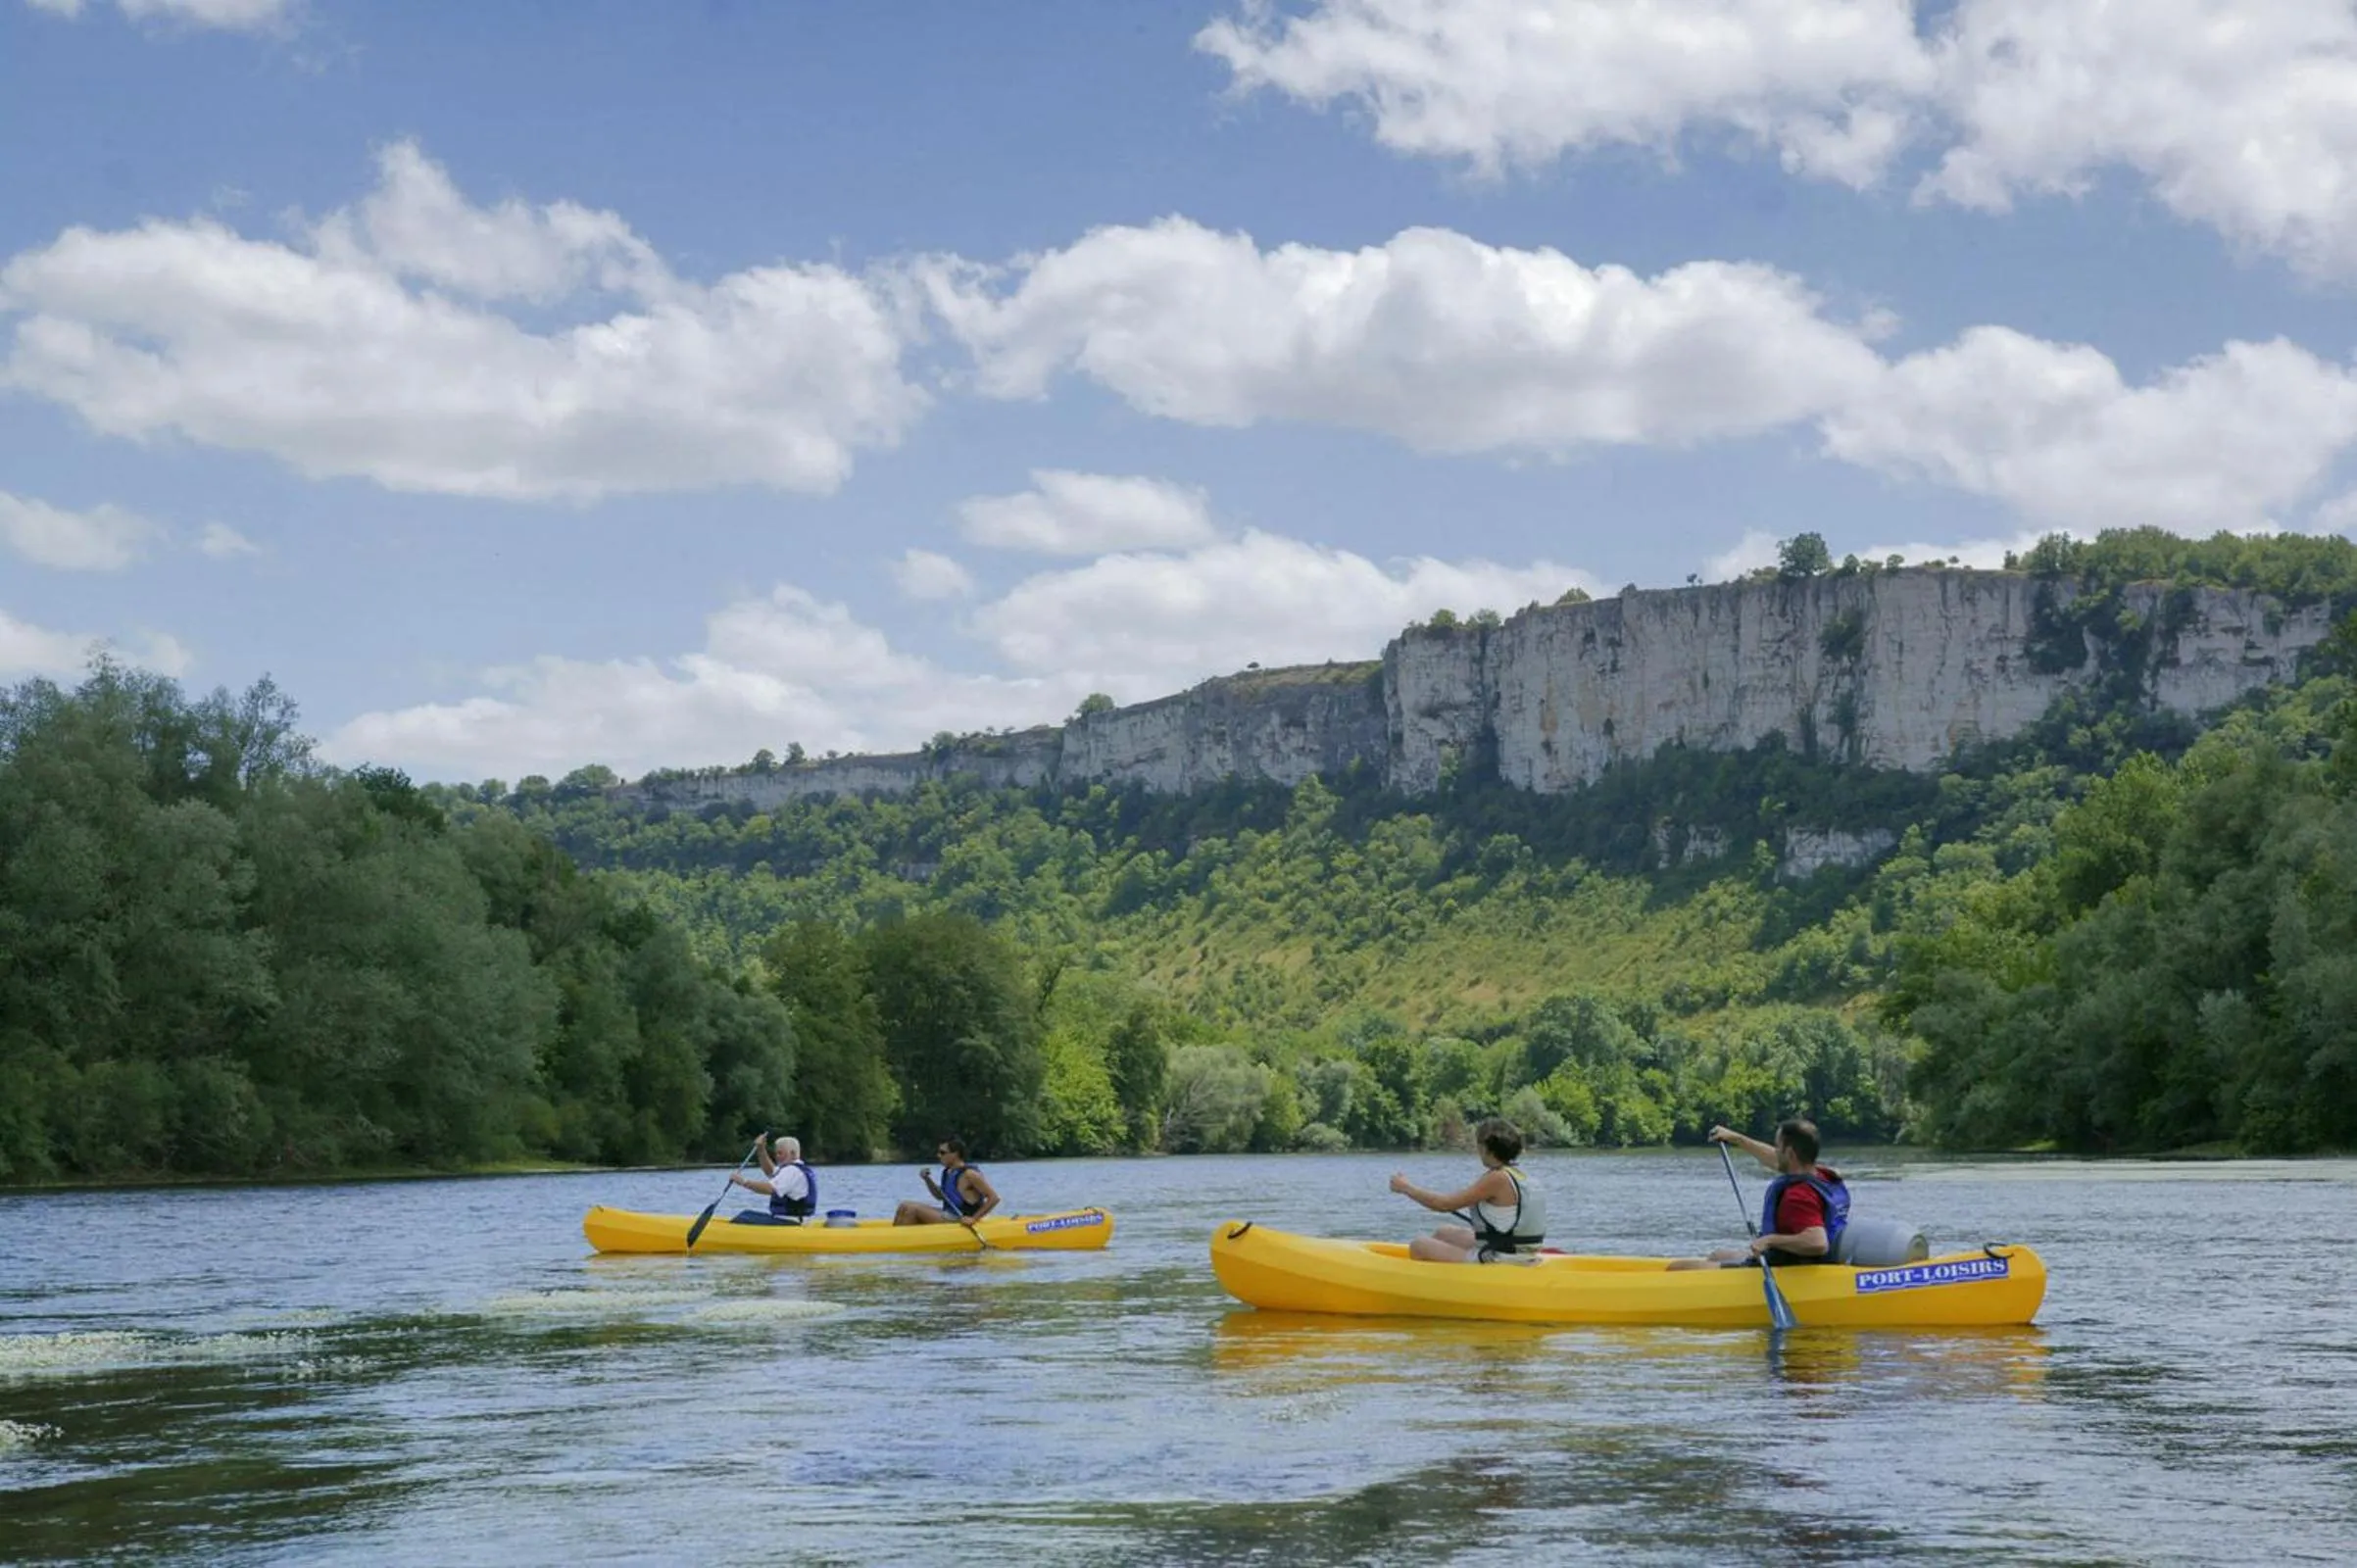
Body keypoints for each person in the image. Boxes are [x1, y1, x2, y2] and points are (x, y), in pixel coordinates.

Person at [1668, 1118, 1848, 1270]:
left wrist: (1770, 1240)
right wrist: (1736, 1138)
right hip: (1799, 1261)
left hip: (1785, 1269)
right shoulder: (1823, 1176)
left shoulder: (1799, 1195)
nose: (1775, 1151)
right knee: (1717, 1255)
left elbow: (1818, 1242)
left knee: (1676, 1269)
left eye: (1778, 1147)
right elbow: (1775, 1159)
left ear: (1790, 1153)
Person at [1388, 1116, 1547, 1262]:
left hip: (1502, 1258)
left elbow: (1444, 1204)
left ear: (1486, 1148)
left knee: (1419, 1245)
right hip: (1518, 1251)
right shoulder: (1519, 1175)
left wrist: (1405, 1187)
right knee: (1444, 1233)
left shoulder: (1497, 1179)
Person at [893, 1137, 1001, 1227]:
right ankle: (896, 1238)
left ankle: (901, 1242)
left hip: (960, 1218)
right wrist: (927, 1180)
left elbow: (994, 1198)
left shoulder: (970, 1174)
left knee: (912, 1209)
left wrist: (974, 1219)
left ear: (955, 1154)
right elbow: (940, 1196)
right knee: (904, 1206)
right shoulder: (948, 1172)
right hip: (949, 1214)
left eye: (942, 1153)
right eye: (939, 1152)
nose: (939, 1156)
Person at [728, 1133, 816, 1225]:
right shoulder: (797, 1169)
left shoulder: (791, 1171)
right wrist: (761, 1149)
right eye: (776, 1153)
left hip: (791, 1221)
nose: (777, 1156)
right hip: (793, 1219)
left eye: (780, 1153)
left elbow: (769, 1189)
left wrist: (743, 1182)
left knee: (742, 1218)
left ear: (793, 1153)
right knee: (747, 1214)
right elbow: (770, 1171)